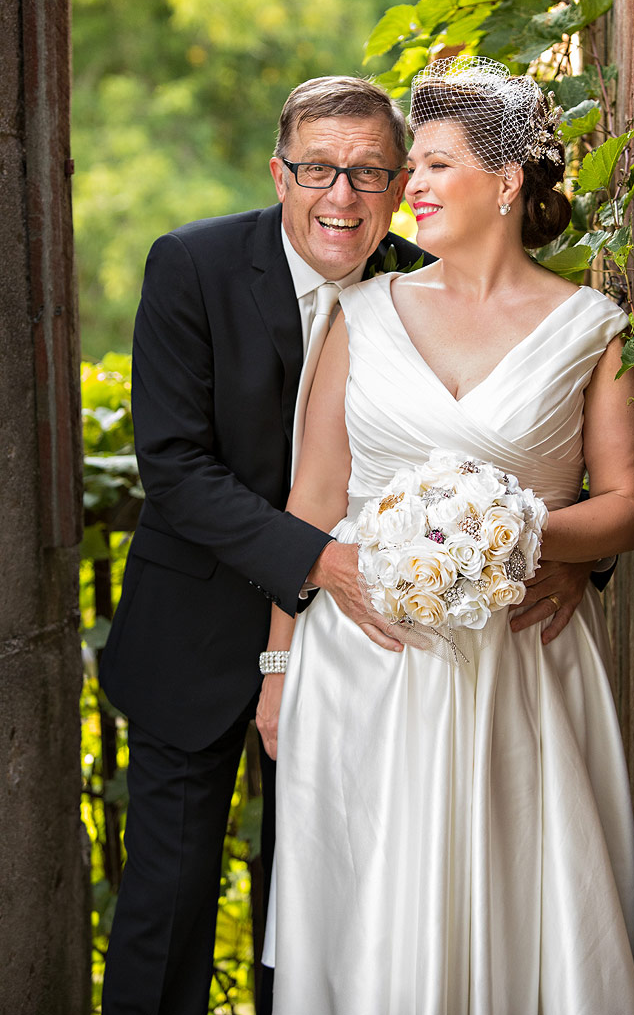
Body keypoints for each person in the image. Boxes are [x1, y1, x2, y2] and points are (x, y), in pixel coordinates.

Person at [98, 72, 594, 1015]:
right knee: (165, 909)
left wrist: (571, 555)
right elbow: (173, 466)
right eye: (318, 169)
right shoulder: (192, 266)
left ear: (402, 179)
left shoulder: (424, 282)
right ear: (278, 172)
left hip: (366, 663)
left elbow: (502, 449)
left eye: (369, 174)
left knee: (330, 908)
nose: (342, 197)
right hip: (199, 629)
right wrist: (321, 562)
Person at [258, 56, 634, 1014]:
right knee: (370, 910)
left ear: (506, 181)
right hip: (364, 668)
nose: (411, 188)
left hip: (522, 666)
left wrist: (520, 538)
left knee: (524, 902)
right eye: (414, 168)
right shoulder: (362, 313)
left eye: (433, 165)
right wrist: (278, 670)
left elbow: (628, 504)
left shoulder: (590, 325)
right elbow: (312, 501)